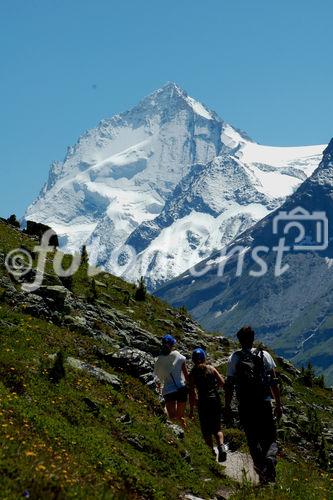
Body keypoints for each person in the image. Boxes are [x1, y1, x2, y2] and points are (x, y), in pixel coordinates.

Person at [224, 326, 283, 485]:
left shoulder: (234, 358)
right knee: (270, 437)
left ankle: (261, 473)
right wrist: (278, 404)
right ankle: (270, 461)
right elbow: (273, 382)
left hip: (245, 404)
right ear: (253, 338)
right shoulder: (265, 355)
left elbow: (229, 384)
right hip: (264, 403)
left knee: (252, 438)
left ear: (239, 340)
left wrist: (227, 406)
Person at [189, 348, 227, 462]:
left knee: (206, 430)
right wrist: (214, 387)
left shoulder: (192, 373)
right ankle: (221, 447)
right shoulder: (211, 368)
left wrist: (191, 410)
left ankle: (211, 454)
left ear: (193, 360)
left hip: (203, 402)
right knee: (217, 428)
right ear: (204, 358)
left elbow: (191, 392)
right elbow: (222, 383)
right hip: (214, 400)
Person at [154, 334, 189, 426]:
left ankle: (178, 435)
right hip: (181, 389)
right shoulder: (178, 355)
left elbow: (158, 379)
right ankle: (184, 430)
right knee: (180, 416)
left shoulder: (159, 360)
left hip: (168, 391)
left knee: (172, 417)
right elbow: (186, 374)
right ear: (172, 345)